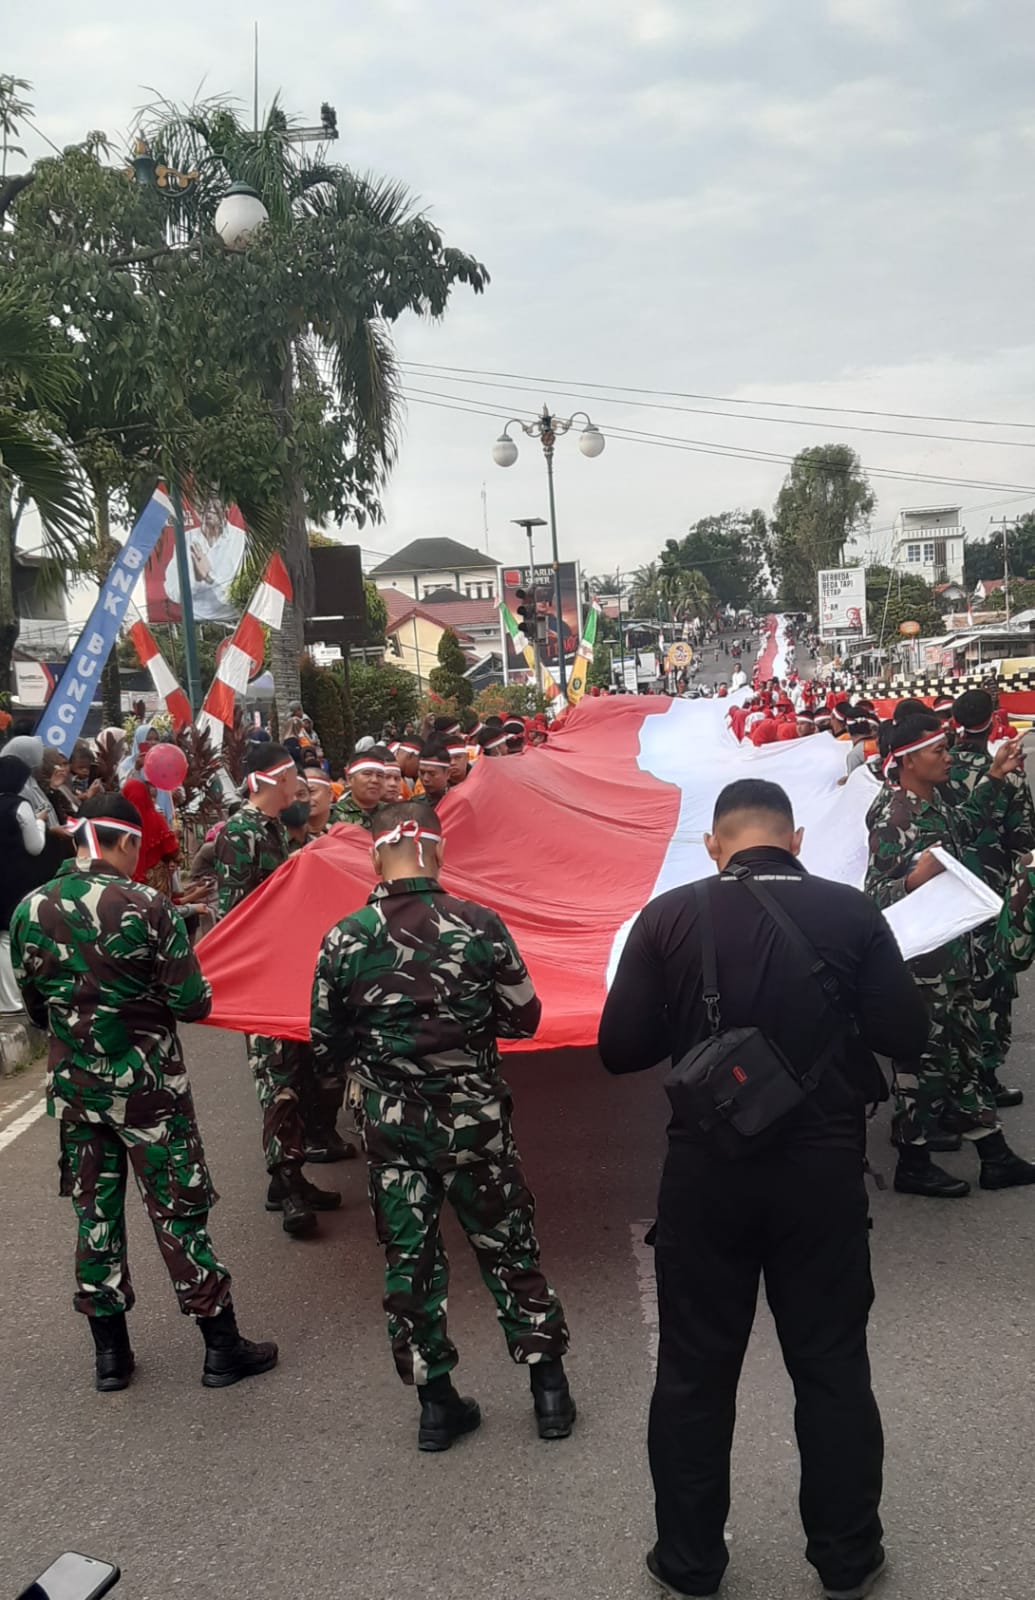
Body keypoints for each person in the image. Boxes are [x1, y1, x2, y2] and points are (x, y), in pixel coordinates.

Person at [599, 778, 928, 1600]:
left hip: (707, 1173)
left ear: (714, 846)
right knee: (830, 1364)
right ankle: (847, 1558)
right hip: (820, 1173)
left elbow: (619, 1048)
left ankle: (688, 1563)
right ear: (797, 838)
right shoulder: (852, 914)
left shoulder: (672, 915)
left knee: (692, 1371)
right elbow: (905, 1036)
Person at [310, 801, 573, 1451]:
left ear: (377, 856)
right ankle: (549, 1393)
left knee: (410, 1261)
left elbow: (323, 1047)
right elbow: (524, 1017)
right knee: (508, 1247)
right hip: (473, 1123)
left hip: (392, 1130)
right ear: (438, 851)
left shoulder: (344, 937)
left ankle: (435, 1405)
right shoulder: (480, 925)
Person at [9, 792, 276, 1392]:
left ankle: (110, 1357)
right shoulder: (148, 905)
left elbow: (35, 1007)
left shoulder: (29, 909)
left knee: (95, 1216)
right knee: (180, 1211)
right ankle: (219, 1346)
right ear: (125, 842)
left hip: (77, 1092)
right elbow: (191, 1002)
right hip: (150, 1092)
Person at [865, 714, 1035, 1197]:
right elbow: (873, 896)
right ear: (908, 760)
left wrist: (996, 776)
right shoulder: (893, 816)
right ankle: (913, 1162)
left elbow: (963, 824)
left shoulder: (932, 800)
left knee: (963, 1056)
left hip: (951, 957)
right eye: (938, 751)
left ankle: (994, 1156)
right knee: (920, 1064)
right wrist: (913, 879)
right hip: (920, 967)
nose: (947, 757)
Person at [213, 744, 341, 1235]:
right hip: (262, 982)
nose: (300, 792)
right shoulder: (241, 834)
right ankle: (287, 1188)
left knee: (301, 1075)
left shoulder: (278, 833)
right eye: (293, 782)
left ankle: (290, 1176)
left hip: (292, 975)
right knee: (278, 1082)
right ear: (274, 780)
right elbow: (233, 918)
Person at [947, 689, 1033, 1107]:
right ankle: (985, 1079)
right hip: (993, 897)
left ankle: (953, 1085)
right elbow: (1025, 842)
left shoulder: (938, 769)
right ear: (994, 717)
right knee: (993, 988)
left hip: (945, 898)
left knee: (951, 990)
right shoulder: (1008, 774)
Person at [0, 754, 47, 1013]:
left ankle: (5, 999)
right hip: (14, 878)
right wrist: (40, 821)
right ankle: (14, 1001)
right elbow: (35, 846)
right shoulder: (20, 806)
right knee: (10, 937)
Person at [121, 777, 180, 894]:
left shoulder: (120, 822)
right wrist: (175, 838)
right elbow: (172, 850)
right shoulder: (157, 818)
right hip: (155, 879)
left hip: (126, 880)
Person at [331, 748, 386, 829]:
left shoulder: (393, 813)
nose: (375, 780)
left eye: (380, 775)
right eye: (367, 774)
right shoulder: (332, 815)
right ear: (350, 779)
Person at [417, 739, 452, 809]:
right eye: (422, 773)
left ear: (448, 773)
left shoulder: (457, 803)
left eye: (432, 774)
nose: (425, 779)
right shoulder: (414, 804)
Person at [305, 771, 335, 835]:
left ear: (330, 794)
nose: (306, 799)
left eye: (311, 791)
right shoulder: (288, 831)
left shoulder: (348, 825)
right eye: (301, 794)